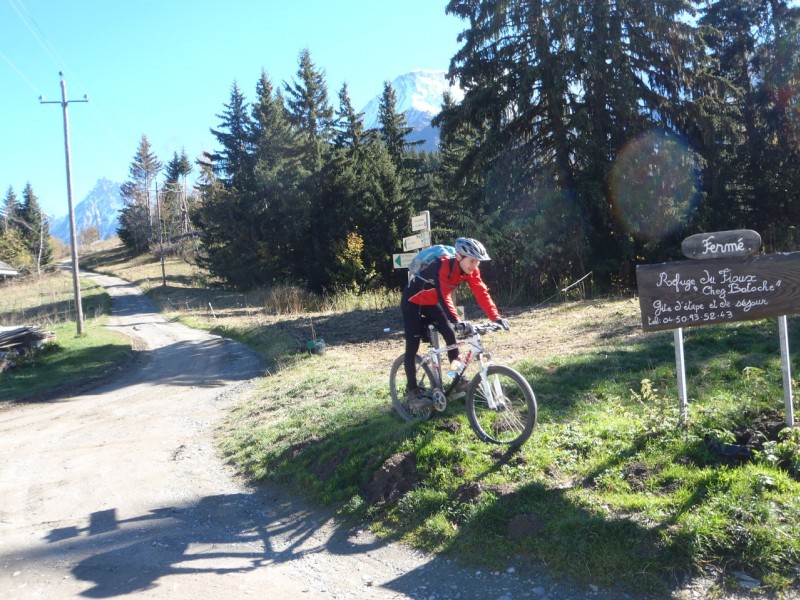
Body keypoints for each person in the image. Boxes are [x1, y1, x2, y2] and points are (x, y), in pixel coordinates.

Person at [401, 237, 509, 409]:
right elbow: (444, 295)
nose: (474, 265)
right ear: (459, 257)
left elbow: (481, 292)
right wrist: (457, 320)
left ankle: (456, 379)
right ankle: (412, 392)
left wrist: (495, 317)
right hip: (413, 302)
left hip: (432, 303)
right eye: (472, 261)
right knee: (412, 346)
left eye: (477, 262)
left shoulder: (471, 270)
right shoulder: (442, 264)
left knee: (451, 336)